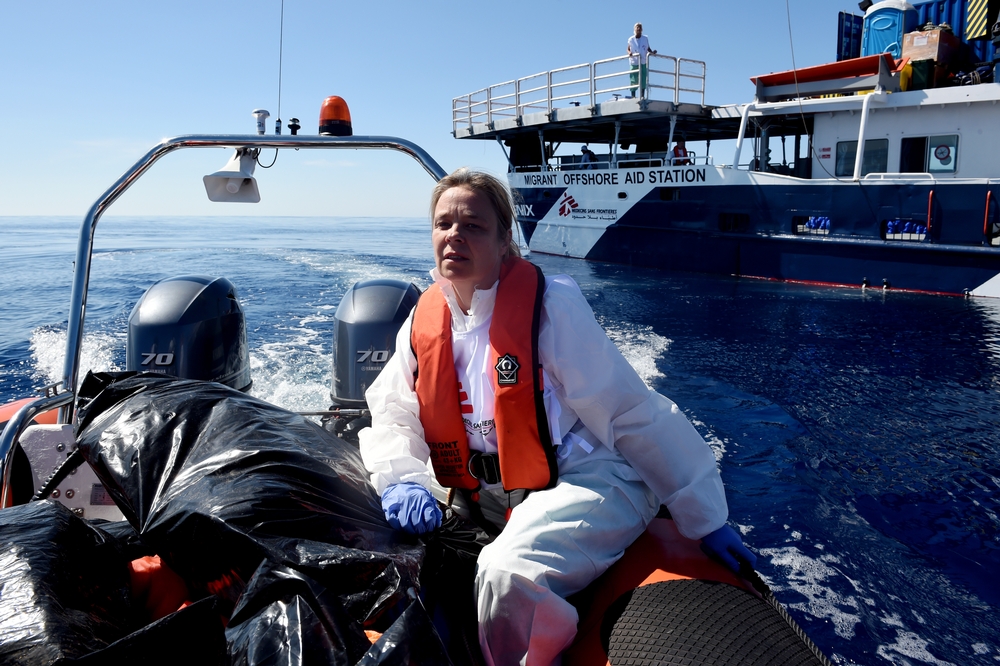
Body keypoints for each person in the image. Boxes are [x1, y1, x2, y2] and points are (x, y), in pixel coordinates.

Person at [359, 168, 756, 666]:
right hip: (482, 490)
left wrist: (704, 516)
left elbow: (631, 411)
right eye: (443, 224)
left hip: (585, 474)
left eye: (473, 225)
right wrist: (402, 480)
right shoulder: (422, 319)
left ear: (506, 240)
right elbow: (394, 412)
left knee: (508, 572)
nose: (454, 235)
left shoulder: (550, 307)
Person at [627, 22, 657, 98]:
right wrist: (629, 52)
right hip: (634, 61)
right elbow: (628, 48)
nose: (639, 29)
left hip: (643, 61)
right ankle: (633, 96)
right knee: (634, 78)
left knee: (643, 78)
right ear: (634, 29)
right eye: (637, 27)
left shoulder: (645, 39)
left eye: (640, 27)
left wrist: (652, 52)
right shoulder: (631, 39)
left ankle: (642, 95)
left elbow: (648, 48)